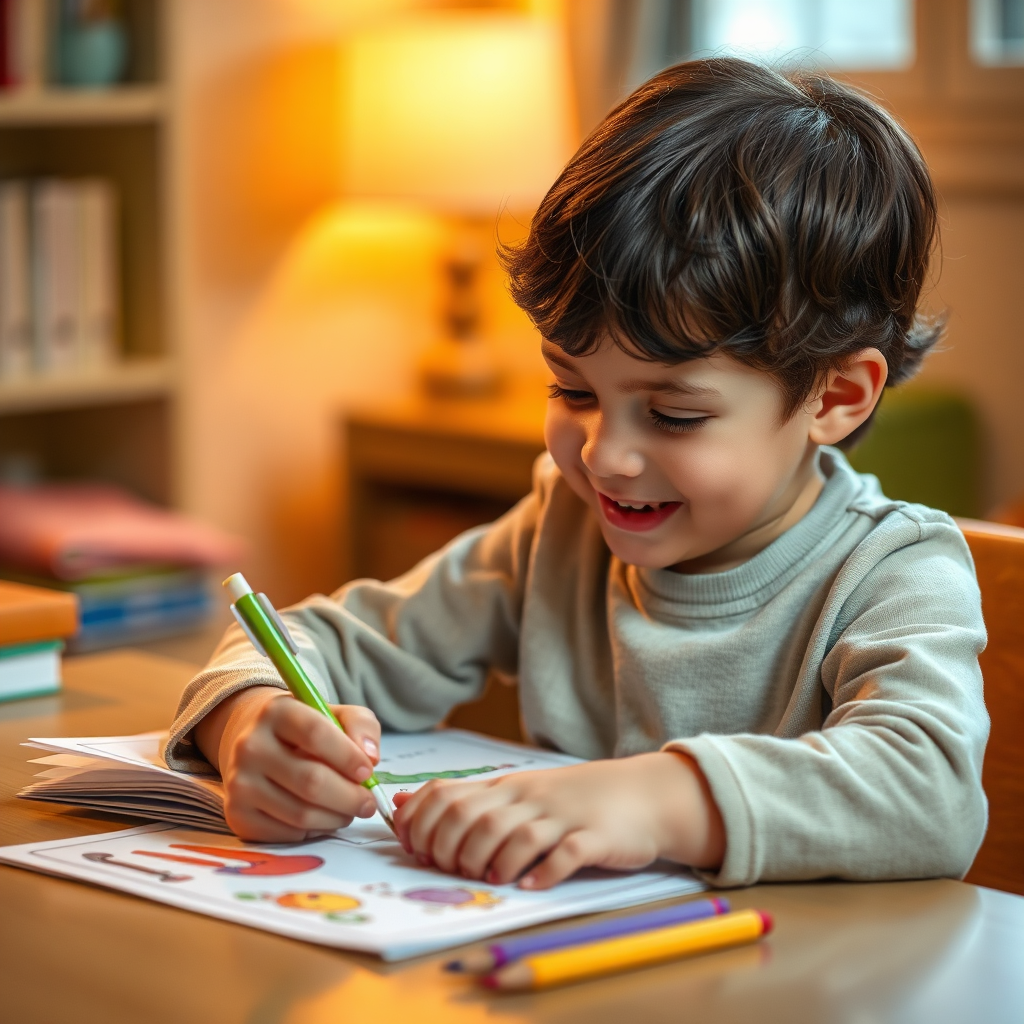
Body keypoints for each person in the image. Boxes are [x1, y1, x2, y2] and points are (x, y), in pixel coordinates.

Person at [166, 58, 989, 891]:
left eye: (674, 414)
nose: (604, 455)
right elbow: (317, 641)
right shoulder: (559, 528)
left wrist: (650, 800)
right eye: (572, 389)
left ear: (836, 396)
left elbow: (931, 795)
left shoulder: (896, 573)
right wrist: (250, 725)